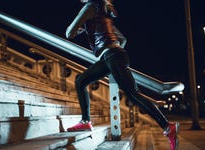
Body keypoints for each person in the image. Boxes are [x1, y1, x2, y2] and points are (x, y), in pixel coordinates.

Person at [65, 0, 179, 149]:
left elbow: (68, 33)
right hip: (111, 57)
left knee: (133, 94)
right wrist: (115, 55)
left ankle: (167, 126)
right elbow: (122, 39)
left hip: (112, 56)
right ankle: (85, 122)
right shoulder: (103, 10)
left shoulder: (90, 6)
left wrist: (81, 28)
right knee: (80, 81)